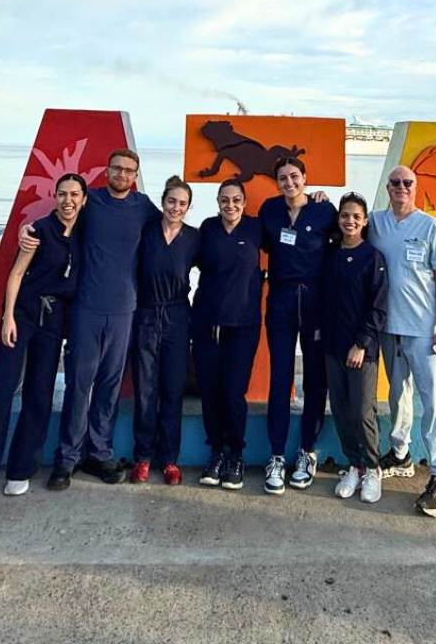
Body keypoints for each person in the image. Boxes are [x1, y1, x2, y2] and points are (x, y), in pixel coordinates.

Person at [18, 149, 160, 490]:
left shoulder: (143, 207)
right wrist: (27, 229)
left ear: (136, 176)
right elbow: (57, 217)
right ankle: (66, 459)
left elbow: (173, 226)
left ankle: (98, 454)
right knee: (79, 385)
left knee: (109, 387)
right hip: (85, 308)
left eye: (129, 171)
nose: (122, 174)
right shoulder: (90, 201)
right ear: (106, 171)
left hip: (125, 309)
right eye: (117, 168)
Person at [0, 173, 86, 525]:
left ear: (84, 199)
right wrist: (7, 317)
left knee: (40, 395)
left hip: (54, 320)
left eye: (75, 194)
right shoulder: (39, 230)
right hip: (24, 314)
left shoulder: (85, 234)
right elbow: (15, 274)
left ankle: (21, 468)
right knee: (3, 390)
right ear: (54, 197)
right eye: (62, 194)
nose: (68, 200)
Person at [369, 165, 436, 518]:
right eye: (395, 183)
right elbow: (347, 220)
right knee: (397, 394)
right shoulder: (376, 223)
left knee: (433, 402)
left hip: (424, 330)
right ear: (387, 187)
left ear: (416, 188)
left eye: (408, 183)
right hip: (389, 328)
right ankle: (401, 453)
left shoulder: (431, 227)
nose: (401, 187)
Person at [257, 157, 338, 494]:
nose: (289, 182)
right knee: (280, 378)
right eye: (282, 178)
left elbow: (349, 236)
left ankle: (307, 451)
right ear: (276, 183)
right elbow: (259, 244)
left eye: (294, 176)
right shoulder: (269, 210)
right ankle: (276, 455)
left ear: (306, 178)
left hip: (316, 302)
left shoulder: (324, 211)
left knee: (316, 382)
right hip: (281, 302)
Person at [192, 179, 264, 491]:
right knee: (209, 390)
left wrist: (317, 202)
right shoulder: (207, 229)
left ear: (244, 202)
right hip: (207, 322)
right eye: (224, 199)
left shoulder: (257, 228)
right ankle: (216, 452)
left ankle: (236, 454)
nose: (230, 205)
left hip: (243, 325)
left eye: (236, 200)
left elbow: (297, 232)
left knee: (234, 393)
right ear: (217, 201)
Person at [130, 177, 199, 485]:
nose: (176, 207)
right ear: (162, 201)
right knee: (146, 391)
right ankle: (143, 457)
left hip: (178, 316)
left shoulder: (195, 238)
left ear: (188, 207)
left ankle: (170, 459)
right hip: (145, 314)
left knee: (172, 392)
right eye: (172, 201)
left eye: (182, 203)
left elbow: (219, 267)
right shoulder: (145, 232)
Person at [320, 193, 388, 504]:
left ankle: (373, 468)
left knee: (362, 412)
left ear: (364, 221)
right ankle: (355, 466)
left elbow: (378, 308)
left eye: (356, 216)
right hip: (333, 346)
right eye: (345, 215)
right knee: (341, 409)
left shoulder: (372, 257)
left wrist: (362, 343)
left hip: (361, 349)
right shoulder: (331, 254)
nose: (350, 220)